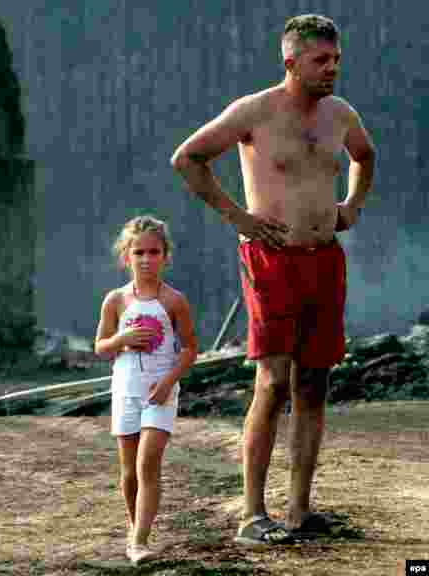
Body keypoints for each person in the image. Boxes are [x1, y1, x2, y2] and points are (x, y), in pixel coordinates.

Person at [170, 14, 375, 545]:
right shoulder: (254, 111)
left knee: (315, 384)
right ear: (291, 62)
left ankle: (300, 511)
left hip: (324, 257)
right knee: (273, 381)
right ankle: (252, 516)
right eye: (320, 61)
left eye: (336, 60)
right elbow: (188, 158)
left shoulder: (340, 113)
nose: (332, 69)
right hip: (271, 260)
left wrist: (351, 204)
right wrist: (237, 217)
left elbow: (364, 156)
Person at [95, 215, 198, 565]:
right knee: (128, 472)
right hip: (125, 391)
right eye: (139, 252)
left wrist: (168, 381)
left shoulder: (175, 301)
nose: (146, 259)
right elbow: (100, 347)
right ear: (126, 256)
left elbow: (189, 349)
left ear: (165, 256)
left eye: (154, 252)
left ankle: (139, 541)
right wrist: (121, 339)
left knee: (148, 463)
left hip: (161, 392)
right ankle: (134, 526)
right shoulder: (116, 301)